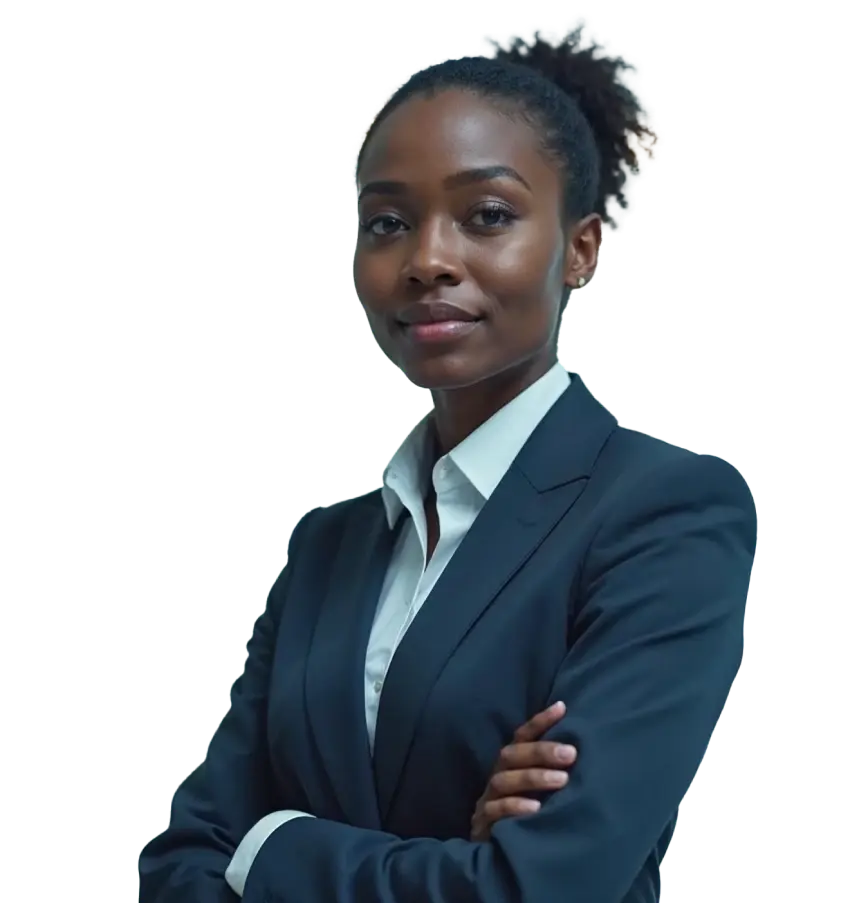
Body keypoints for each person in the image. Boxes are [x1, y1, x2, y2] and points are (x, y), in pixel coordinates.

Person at [137, 17, 755, 903]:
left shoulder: (664, 510)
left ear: (580, 248)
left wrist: (271, 844)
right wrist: (446, 858)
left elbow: (541, 886)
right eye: (386, 222)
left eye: (487, 216)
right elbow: (177, 864)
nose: (427, 260)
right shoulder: (327, 546)